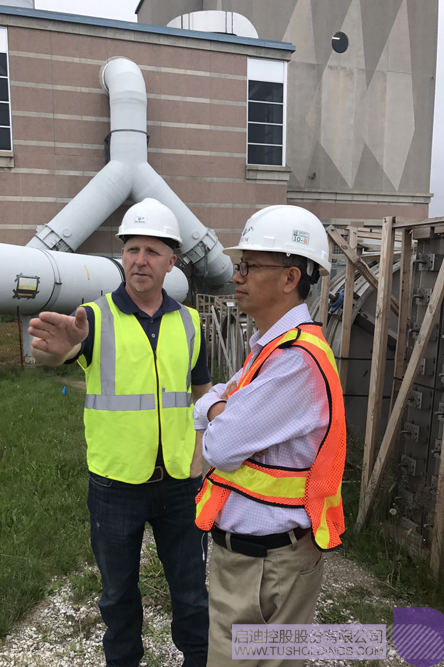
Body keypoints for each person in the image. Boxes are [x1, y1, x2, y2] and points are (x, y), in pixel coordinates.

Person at [28, 198, 211, 667]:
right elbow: (59, 353)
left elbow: (202, 394)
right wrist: (55, 351)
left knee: (192, 594)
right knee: (118, 596)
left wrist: (201, 455)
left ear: (171, 262)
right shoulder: (94, 318)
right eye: (132, 249)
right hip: (115, 485)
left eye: (152, 251)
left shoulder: (189, 322)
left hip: (180, 483)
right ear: (122, 255)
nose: (140, 260)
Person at [194, 205, 346, 667]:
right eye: (240, 265)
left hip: (265, 568)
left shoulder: (294, 361)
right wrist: (221, 409)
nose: (237, 276)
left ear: (289, 278)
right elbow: (216, 400)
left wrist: (218, 411)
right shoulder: (273, 348)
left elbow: (218, 446)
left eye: (249, 266)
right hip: (262, 561)